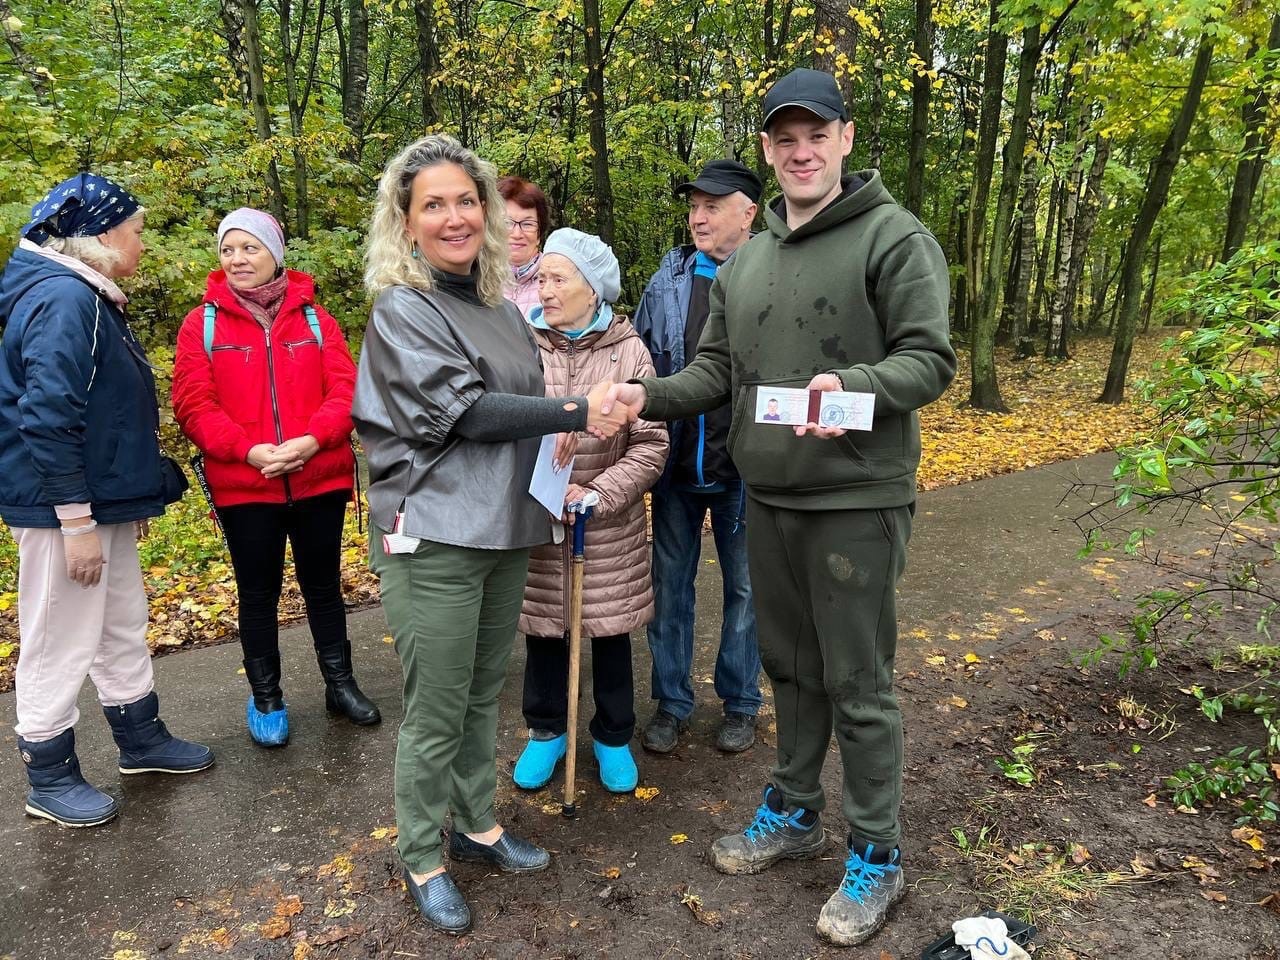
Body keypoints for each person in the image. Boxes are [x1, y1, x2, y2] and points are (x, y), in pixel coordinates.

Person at [601, 68, 957, 947]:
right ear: (767, 149)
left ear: (844, 138)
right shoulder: (748, 259)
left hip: (856, 498)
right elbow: (717, 374)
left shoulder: (893, 239)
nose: (801, 151)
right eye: (783, 139)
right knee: (789, 671)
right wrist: (639, 398)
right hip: (769, 494)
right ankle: (796, 811)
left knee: (858, 681)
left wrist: (860, 385)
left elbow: (930, 359)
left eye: (816, 135)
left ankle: (877, 853)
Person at [351, 134, 627, 936]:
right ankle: (420, 856)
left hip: (504, 527)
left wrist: (555, 436)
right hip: (434, 533)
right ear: (405, 222)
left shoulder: (500, 308)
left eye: (466, 200)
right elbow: (464, 413)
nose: (455, 216)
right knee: (435, 705)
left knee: (479, 694)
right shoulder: (405, 308)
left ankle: (475, 825)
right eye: (433, 203)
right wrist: (576, 411)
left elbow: (515, 408)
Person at [0, 174, 214, 828]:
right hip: (60, 509)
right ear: (98, 236)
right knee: (58, 636)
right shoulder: (65, 300)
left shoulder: (83, 295)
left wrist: (126, 498)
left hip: (96, 503)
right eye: (137, 230)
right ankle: (49, 772)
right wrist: (76, 523)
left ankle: (140, 738)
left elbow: (106, 415)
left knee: (119, 618)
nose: (143, 241)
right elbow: (46, 417)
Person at [172, 208, 378, 748]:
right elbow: (193, 404)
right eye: (228, 249)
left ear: (275, 253)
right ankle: (267, 696)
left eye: (250, 248)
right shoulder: (203, 324)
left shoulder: (316, 319)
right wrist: (250, 450)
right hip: (246, 485)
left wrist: (312, 440)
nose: (237, 259)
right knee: (257, 592)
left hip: (319, 478)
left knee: (324, 588)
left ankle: (340, 684)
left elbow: (346, 391)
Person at [512, 229, 667, 795]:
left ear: (592, 286)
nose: (544, 289)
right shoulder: (524, 342)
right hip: (540, 519)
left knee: (609, 630)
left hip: (607, 523)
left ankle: (613, 735)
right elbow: (505, 421)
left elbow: (652, 444)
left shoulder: (630, 351)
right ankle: (546, 731)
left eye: (558, 278)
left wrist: (600, 491)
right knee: (545, 630)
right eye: (542, 278)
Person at [633, 159, 764, 755]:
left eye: (713, 204)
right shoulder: (667, 284)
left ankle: (741, 702)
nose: (699, 215)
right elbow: (639, 361)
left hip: (746, 468)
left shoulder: (772, 276)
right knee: (670, 587)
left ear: (750, 212)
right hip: (677, 464)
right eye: (694, 205)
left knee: (746, 589)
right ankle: (672, 703)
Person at [498, 175, 550, 318]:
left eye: (527, 224)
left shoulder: (557, 282)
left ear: (539, 234)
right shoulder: (476, 281)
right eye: (507, 223)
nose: (517, 234)